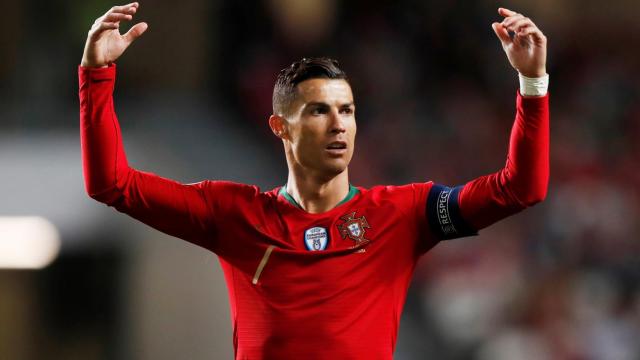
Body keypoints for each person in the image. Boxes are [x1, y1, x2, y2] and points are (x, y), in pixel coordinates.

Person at [79, 2, 549, 359]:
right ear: (280, 127)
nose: (338, 124)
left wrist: (532, 85)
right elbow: (112, 184)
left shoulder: (402, 214)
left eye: (346, 110)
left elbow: (519, 189)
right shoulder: (234, 213)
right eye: (319, 111)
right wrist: (96, 74)